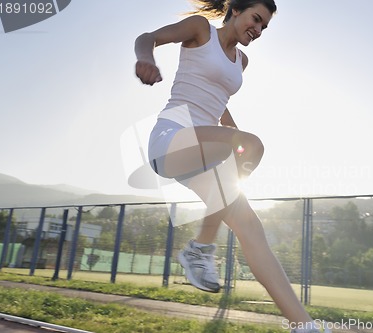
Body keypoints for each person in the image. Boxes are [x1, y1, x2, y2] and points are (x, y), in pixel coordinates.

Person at [135, 1, 329, 332]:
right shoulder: (200, 30)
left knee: (252, 228)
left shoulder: (243, 60)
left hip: (204, 150)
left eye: (264, 26)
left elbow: (218, 105)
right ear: (235, 11)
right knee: (248, 146)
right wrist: (145, 60)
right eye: (256, 19)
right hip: (172, 138)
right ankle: (200, 248)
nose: (259, 29)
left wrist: (234, 135)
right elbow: (147, 37)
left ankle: (303, 325)